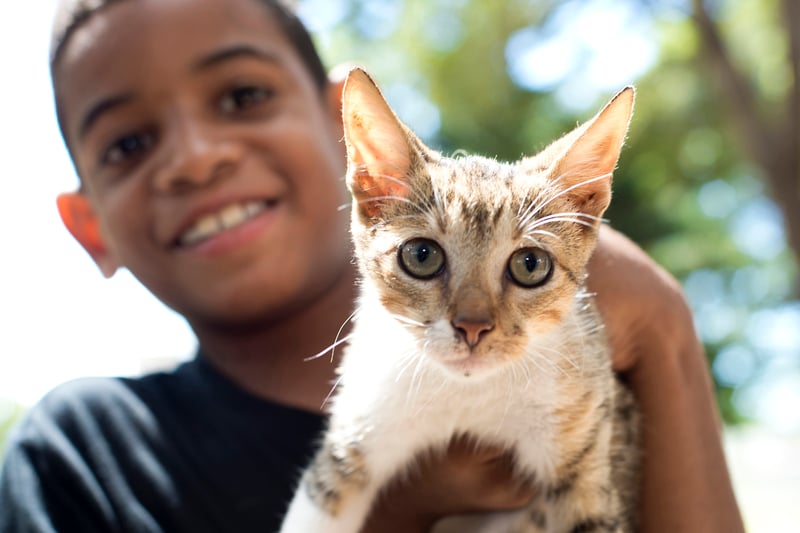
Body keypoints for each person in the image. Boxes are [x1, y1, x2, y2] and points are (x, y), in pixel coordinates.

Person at [0, 0, 745, 531]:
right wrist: (397, 507)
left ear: (341, 128)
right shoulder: (80, 453)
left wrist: (666, 328)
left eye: (243, 94)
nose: (198, 158)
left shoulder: (612, 329)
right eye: (128, 144)